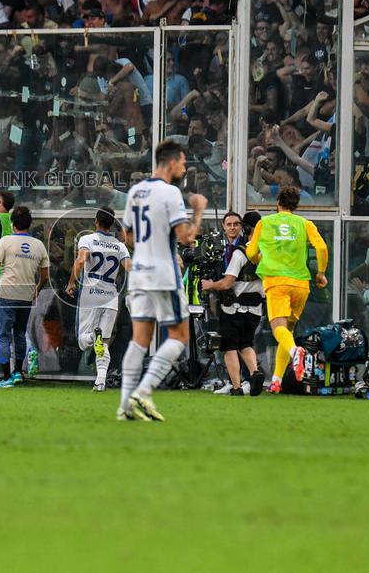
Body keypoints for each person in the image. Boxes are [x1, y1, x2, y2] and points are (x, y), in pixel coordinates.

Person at [116, 141, 207, 421]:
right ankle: (143, 392)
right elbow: (186, 237)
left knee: (140, 340)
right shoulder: (170, 193)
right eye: (182, 162)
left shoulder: (135, 191)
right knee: (180, 336)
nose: (184, 167)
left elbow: (127, 237)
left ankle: (124, 407)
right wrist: (199, 210)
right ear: (171, 162)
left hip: (139, 272)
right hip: (163, 274)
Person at [245, 187, 329, 394]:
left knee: (278, 329)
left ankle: (295, 353)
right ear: (296, 205)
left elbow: (251, 251)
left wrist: (258, 260)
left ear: (277, 203)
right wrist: (321, 273)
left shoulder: (264, 223)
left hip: (276, 282)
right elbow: (322, 248)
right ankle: (276, 381)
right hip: (300, 284)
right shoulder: (305, 224)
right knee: (287, 333)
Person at [0, 206, 50, 388]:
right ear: (29, 224)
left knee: (4, 336)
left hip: (7, 294)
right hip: (26, 295)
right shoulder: (39, 245)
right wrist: (37, 289)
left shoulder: (6, 241)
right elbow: (45, 276)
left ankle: (5, 378)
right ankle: (17, 373)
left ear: (13, 224)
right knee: (20, 334)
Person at [200, 211, 266, 396]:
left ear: (244, 227)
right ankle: (254, 373)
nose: (233, 227)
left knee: (229, 346)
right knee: (246, 343)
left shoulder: (241, 252)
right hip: (255, 306)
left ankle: (236, 387)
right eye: (229, 224)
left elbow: (228, 282)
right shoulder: (267, 251)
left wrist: (211, 285)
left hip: (233, 305)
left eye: (237, 224)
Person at [66, 206, 132, 392]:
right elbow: (130, 268)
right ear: (112, 224)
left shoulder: (88, 239)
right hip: (111, 298)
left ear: (96, 221)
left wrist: (71, 282)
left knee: (82, 341)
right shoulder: (120, 246)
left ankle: (93, 337)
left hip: (91, 296)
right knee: (103, 343)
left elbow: (80, 261)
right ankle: (101, 381)